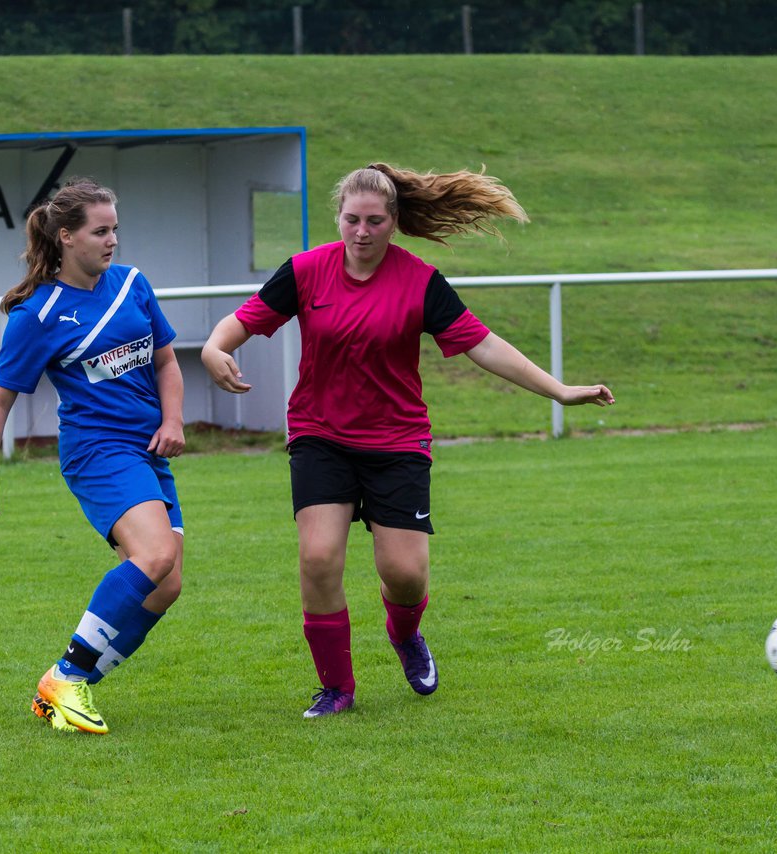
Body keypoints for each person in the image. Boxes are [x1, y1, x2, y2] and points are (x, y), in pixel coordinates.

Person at [201, 163, 614, 719]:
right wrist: (213, 349)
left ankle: (406, 634)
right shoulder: (304, 271)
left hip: (397, 441)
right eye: (352, 219)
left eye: (374, 220)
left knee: (404, 573)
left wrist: (559, 391)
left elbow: (485, 346)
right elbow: (243, 321)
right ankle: (337, 689)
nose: (362, 231)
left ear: (394, 222)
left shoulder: (420, 280)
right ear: (338, 218)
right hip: (320, 435)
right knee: (319, 557)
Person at [0, 178, 186, 735]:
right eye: (100, 230)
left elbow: (166, 362)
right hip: (98, 452)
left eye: (115, 229)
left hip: (147, 450)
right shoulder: (38, 315)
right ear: (66, 237)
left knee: (167, 584)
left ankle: (64, 688)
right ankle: (67, 677)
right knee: (155, 556)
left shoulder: (133, 285)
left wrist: (174, 419)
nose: (112, 240)